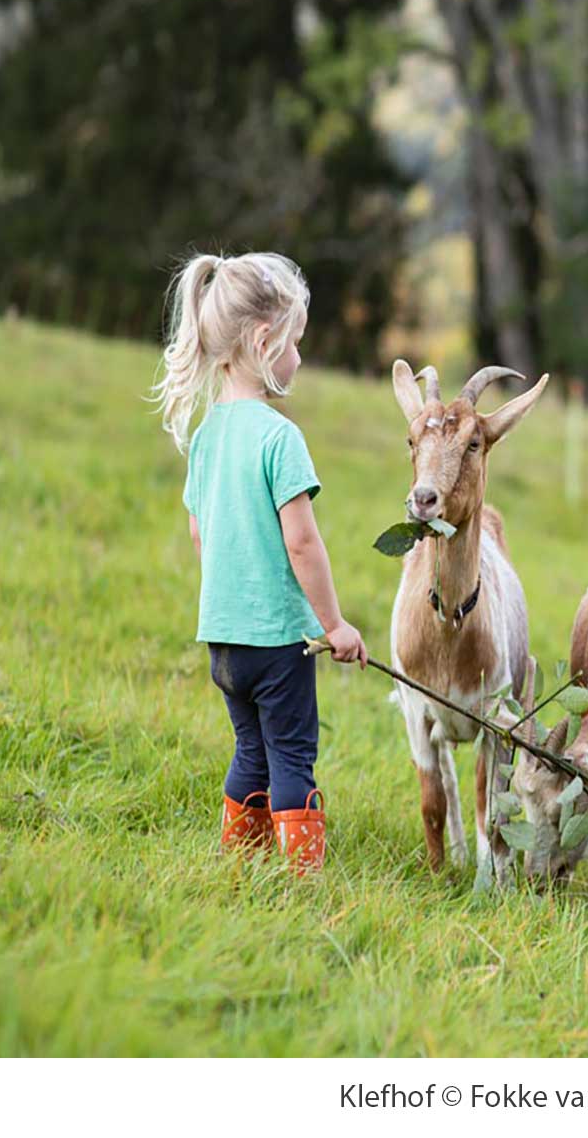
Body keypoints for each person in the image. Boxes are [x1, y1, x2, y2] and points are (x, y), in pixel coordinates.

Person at [150, 251, 367, 875]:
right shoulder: (279, 437)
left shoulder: (209, 435)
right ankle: (301, 877)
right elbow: (303, 544)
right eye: (296, 341)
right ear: (264, 341)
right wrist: (335, 625)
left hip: (222, 638)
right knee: (293, 758)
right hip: (278, 642)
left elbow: (200, 533)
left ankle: (240, 864)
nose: (299, 356)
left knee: (250, 749)